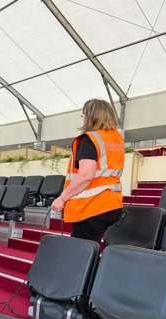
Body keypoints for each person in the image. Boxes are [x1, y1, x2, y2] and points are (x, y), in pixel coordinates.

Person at [51, 98, 125, 245]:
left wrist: (62, 198)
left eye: (84, 114)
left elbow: (86, 175)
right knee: (91, 252)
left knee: (81, 256)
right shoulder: (116, 139)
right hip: (112, 205)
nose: (82, 117)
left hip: (92, 207)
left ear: (91, 116)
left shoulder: (90, 139)